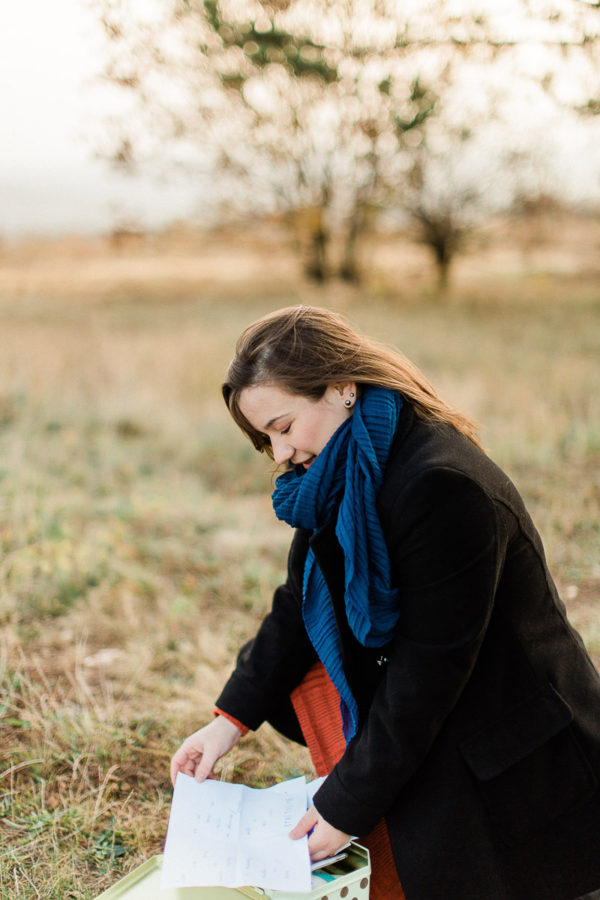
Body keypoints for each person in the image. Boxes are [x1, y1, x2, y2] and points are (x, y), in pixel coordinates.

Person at [170, 305, 600, 900]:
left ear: (342, 388)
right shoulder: (344, 471)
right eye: (265, 438)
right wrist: (228, 724)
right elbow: (301, 600)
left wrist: (344, 805)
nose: (280, 453)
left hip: (516, 758)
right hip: (440, 725)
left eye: (284, 426)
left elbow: (428, 673)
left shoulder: (442, 485)